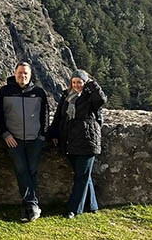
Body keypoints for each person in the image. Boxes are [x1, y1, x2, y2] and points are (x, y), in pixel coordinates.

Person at [0, 61, 49, 222]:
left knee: (31, 171)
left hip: (35, 139)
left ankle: (28, 207)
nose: (22, 76)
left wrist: (42, 136)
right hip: (14, 139)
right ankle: (32, 206)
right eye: (20, 73)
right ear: (15, 73)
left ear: (30, 74)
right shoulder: (5, 92)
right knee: (22, 170)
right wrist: (5, 134)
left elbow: (45, 115)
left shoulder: (39, 92)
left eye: (25, 73)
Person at [49, 69, 106, 219]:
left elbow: (101, 100)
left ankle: (73, 209)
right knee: (83, 176)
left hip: (87, 142)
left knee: (81, 176)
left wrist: (91, 84)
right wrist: (53, 133)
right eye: (74, 82)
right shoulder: (66, 96)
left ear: (85, 82)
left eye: (79, 82)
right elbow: (59, 116)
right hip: (69, 141)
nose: (76, 85)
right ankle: (92, 205)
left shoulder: (90, 98)